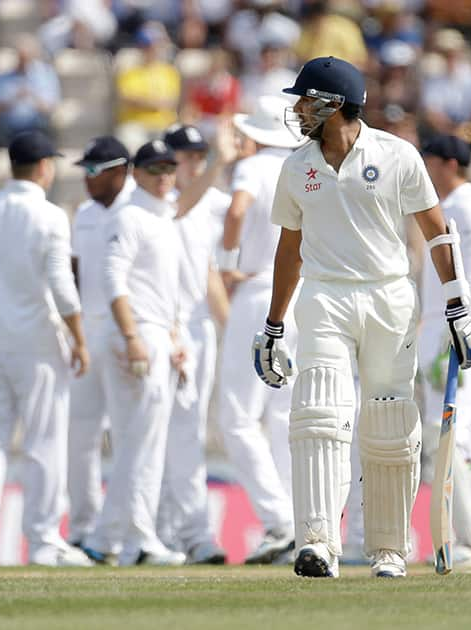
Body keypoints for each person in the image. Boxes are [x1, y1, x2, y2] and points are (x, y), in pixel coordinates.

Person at [256, 56, 471, 578]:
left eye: (305, 98)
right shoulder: (296, 167)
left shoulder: (396, 154)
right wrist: (272, 326)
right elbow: (289, 250)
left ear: (333, 104)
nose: (296, 109)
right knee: (320, 411)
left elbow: (437, 230)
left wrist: (458, 303)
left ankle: (388, 549)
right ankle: (316, 543)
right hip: (325, 297)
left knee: (388, 420)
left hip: (388, 297)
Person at [0, 131, 89, 567]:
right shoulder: (49, 215)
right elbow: (63, 288)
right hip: (37, 347)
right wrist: (79, 339)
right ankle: (43, 544)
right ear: (44, 167)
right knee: (43, 444)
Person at [78, 140, 186, 567]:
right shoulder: (129, 215)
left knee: (142, 440)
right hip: (134, 335)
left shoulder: (161, 217)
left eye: (168, 169)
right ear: (136, 173)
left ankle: (114, 539)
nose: (163, 177)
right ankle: (132, 539)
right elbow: (112, 278)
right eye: (154, 170)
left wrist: (174, 337)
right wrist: (131, 336)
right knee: (139, 439)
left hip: (155, 333)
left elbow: (163, 289)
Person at [213, 97, 302, 564]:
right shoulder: (299, 168)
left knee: (236, 416)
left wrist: (227, 264)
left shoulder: (254, 168)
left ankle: (279, 520)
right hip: (295, 292)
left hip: (256, 292)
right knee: (283, 416)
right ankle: (297, 520)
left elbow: (235, 212)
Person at [420, 134, 471, 570]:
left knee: (446, 428)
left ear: (451, 164)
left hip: (459, 333)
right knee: (457, 433)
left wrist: (457, 335)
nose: (425, 171)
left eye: (429, 162)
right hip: (440, 330)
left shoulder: (469, 211)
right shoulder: (449, 209)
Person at [157, 124, 232, 565]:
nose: (196, 163)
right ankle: (184, 532)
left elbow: (209, 275)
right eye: (187, 156)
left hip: (198, 328)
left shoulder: (209, 204)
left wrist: (235, 330)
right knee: (168, 432)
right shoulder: (159, 202)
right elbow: (183, 204)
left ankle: (180, 531)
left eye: (201, 156)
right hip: (167, 327)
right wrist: (222, 163)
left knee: (186, 432)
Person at [66, 136, 134, 557]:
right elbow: (74, 272)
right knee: (81, 435)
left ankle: (128, 530)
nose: (87, 179)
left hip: (127, 333)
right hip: (89, 334)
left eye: (95, 170)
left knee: (130, 437)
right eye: (85, 171)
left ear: (119, 170)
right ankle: (84, 529)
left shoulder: (139, 209)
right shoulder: (85, 214)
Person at [0, 35, 60, 150]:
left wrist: (32, 96)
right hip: (7, 131)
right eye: (21, 57)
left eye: (27, 57)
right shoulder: (1, 78)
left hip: (36, 129)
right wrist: (9, 102)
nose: (24, 61)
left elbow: (51, 108)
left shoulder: (46, 75)